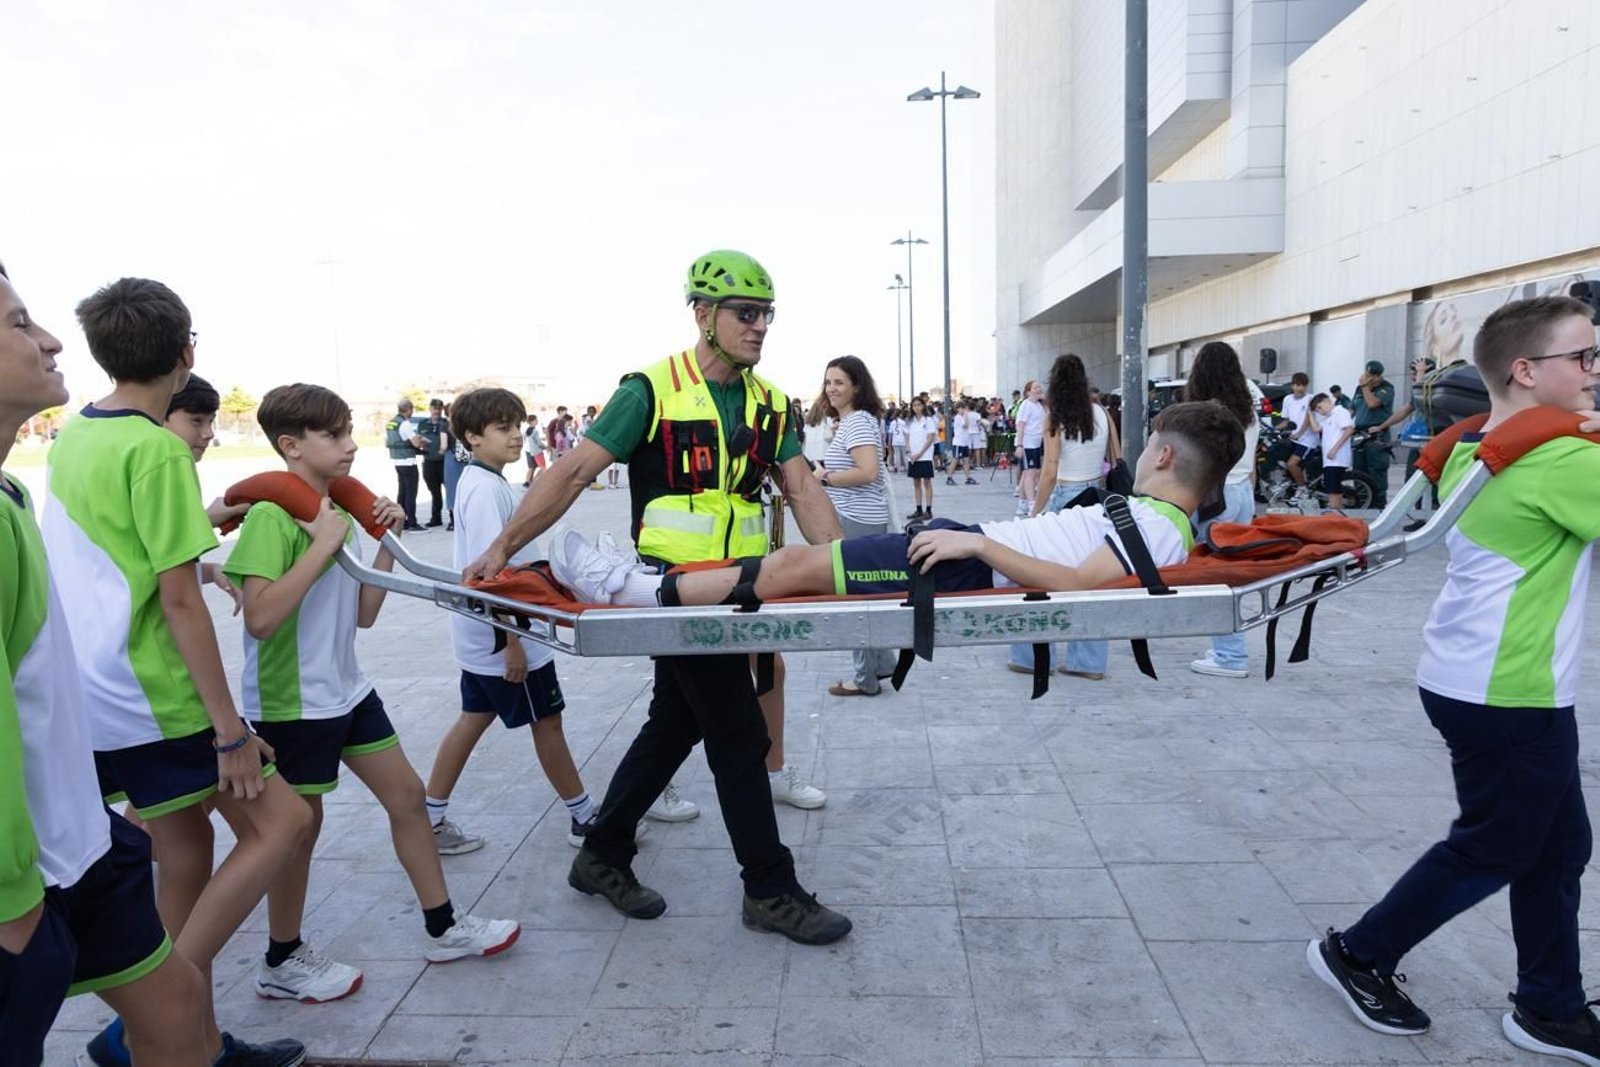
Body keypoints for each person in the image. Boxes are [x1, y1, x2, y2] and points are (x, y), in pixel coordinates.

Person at [463, 249, 851, 945]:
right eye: (745, 313)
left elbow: (801, 488)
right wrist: (502, 548)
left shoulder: (770, 402)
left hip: (738, 588)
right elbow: (575, 470)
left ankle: (603, 850)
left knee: (676, 723)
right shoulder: (650, 388)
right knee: (739, 733)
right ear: (702, 314)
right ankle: (769, 886)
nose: (760, 326)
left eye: (767, 314)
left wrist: (849, 568)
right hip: (671, 592)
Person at [1306, 295, 1600, 1063]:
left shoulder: (1480, 444)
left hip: (1477, 676)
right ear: (1527, 370)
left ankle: (1550, 1004)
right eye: (1586, 357)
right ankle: (1360, 951)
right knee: (1499, 844)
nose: (1596, 371)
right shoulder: (1565, 457)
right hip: (1508, 689)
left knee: (1559, 844)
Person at [0, 261, 274, 1067]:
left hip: (89, 733)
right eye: (20, 323)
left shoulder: (73, 439)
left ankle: (187, 1025)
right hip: (153, 695)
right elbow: (178, 599)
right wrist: (230, 728)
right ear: (185, 353)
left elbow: (116, 554)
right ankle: (186, 1002)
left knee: (183, 849)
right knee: (283, 821)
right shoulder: (155, 450)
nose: (42, 338)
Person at [226, 383, 520, 1003]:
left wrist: (384, 544)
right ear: (291, 445)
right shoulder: (271, 518)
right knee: (302, 829)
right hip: (292, 703)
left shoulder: (334, 514)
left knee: (409, 798)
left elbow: (364, 613)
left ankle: (443, 928)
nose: (350, 445)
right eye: (333, 435)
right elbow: (259, 618)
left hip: (347, 690)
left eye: (347, 431)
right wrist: (323, 548)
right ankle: (281, 960)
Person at [555, 400, 1241, 639]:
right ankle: (641, 585)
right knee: (797, 572)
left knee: (795, 567)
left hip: (965, 558)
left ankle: (626, 591)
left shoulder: (1154, 527)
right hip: (967, 549)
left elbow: (1079, 586)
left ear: (1162, 452)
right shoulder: (1156, 520)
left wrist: (976, 542)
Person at [423, 387, 636, 855]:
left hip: (483, 638)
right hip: (505, 639)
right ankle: (584, 816)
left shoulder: (486, 482)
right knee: (548, 722)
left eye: (518, 427)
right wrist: (512, 642)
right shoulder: (482, 490)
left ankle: (430, 818)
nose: (516, 437)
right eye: (503, 429)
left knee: (472, 720)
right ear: (473, 437)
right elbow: (491, 575)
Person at [1007, 353, 1118, 680]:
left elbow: (1051, 470)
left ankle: (1031, 657)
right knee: (1094, 582)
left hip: (1065, 497)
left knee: (1036, 577)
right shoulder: (1102, 413)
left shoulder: (1054, 418)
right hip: (1097, 498)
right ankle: (1089, 662)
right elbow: (1116, 457)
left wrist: (1035, 510)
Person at [815, 356, 896, 698]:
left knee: (853, 598)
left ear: (857, 387)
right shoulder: (851, 421)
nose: (831, 389)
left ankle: (865, 679)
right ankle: (882, 663)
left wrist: (825, 477)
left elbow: (868, 472)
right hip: (860, 518)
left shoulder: (857, 422)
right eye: (828, 382)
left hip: (858, 521)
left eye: (839, 383)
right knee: (866, 596)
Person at [1183, 341, 1261, 679]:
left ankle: (1230, 656)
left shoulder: (1208, 411)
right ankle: (1226, 648)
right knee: (1231, 575)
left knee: (1217, 577)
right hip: (1243, 491)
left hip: (1218, 494)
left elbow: (1199, 461)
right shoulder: (1249, 403)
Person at [1351, 360, 1396, 507]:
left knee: (1377, 469)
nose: (1373, 379)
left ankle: (1378, 503)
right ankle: (1362, 500)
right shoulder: (1359, 390)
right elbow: (1352, 410)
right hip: (1359, 434)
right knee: (1358, 469)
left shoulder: (1386, 388)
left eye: (1376, 376)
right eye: (1370, 375)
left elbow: (1373, 404)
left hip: (1377, 434)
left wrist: (1365, 386)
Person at [384, 398, 426, 531]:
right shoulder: (405, 424)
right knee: (411, 493)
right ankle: (412, 523)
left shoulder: (391, 423)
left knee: (402, 492)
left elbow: (388, 442)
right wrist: (419, 438)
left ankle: (401, 521)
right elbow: (416, 444)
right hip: (408, 461)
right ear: (409, 410)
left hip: (397, 461)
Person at [1311, 391, 1355, 510]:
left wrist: (1334, 449)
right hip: (1330, 460)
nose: (1320, 411)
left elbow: (1349, 429)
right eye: (1317, 410)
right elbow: (1316, 429)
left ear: (1327, 401)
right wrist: (1309, 413)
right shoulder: (1328, 418)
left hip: (1337, 459)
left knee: (1333, 490)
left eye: (1320, 407)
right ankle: (1337, 515)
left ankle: (1336, 515)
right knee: (1333, 489)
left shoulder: (1340, 412)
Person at [1279, 372, 1317, 494]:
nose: (1300, 388)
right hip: (1293, 439)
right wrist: (1272, 430)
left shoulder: (1310, 399)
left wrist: (1299, 434)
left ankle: (1302, 489)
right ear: (1292, 385)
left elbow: (1307, 419)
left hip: (1307, 441)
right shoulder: (1287, 399)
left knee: (1291, 464)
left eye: (1303, 385)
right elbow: (1286, 421)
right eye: (1297, 385)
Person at [1013, 379, 1046, 516]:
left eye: (1039, 387)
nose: (1038, 389)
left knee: (1029, 474)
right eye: (1035, 388)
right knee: (1030, 474)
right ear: (1028, 392)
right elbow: (1021, 425)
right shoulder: (1026, 405)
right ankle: (1033, 505)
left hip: (1036, 443)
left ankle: (1022, 504)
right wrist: (1020, 445)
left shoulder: (1039, 405)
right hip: (1027, 443)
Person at [418, 398, 449, 527]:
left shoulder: (446, 423)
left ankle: (455, 519)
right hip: (429, 462)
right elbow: (418, 439)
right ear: (430, 409)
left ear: (442, 409)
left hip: (445, 463)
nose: (436, 411)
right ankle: (436, 518)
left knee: (452, 491)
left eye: (439, 408)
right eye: (434, 408)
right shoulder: (423, 424)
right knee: (435, 493)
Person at [905, 395, 937, 519]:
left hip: (925, 456)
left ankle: (928, 510)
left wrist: (919, 454)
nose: (917, 408)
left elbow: (930, 439)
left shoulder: (928, 420)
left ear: (923, 406)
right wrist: (909, 452)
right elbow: (907, 439)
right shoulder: (909, 421)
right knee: (916, 483)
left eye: (919, 405)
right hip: (912, 457)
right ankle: (918, 509)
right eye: (914, 405)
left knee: (927, 483)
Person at [441, 403, 465, 531]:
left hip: (452, 459)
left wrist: (439, 451)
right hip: (466, 459)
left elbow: (444, 445)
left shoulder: (445, 425)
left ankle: (453, 521)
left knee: (452, 490)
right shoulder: (463, 424)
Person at [522, 413, 546, 487]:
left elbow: (527, 440)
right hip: (536, 451)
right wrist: (545, 447)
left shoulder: (526, 431)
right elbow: (539, 443)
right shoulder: (535, 431)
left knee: (531, 467)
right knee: (543, 467)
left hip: (528, 451)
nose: (537, 421)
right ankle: (534, 481)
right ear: (532, 421)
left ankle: (527, 482)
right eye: (536, 420)